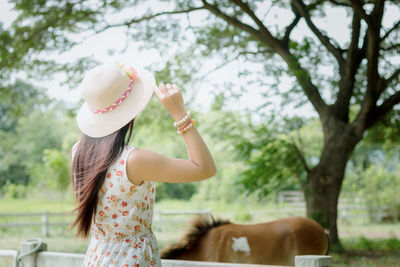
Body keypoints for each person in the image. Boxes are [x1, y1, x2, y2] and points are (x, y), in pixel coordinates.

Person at [70, 62, 216, 267]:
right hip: (132, 260)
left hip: (97, 258)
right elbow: (205, 168)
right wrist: (179, 113)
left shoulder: (79, 151)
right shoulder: (134, 160)